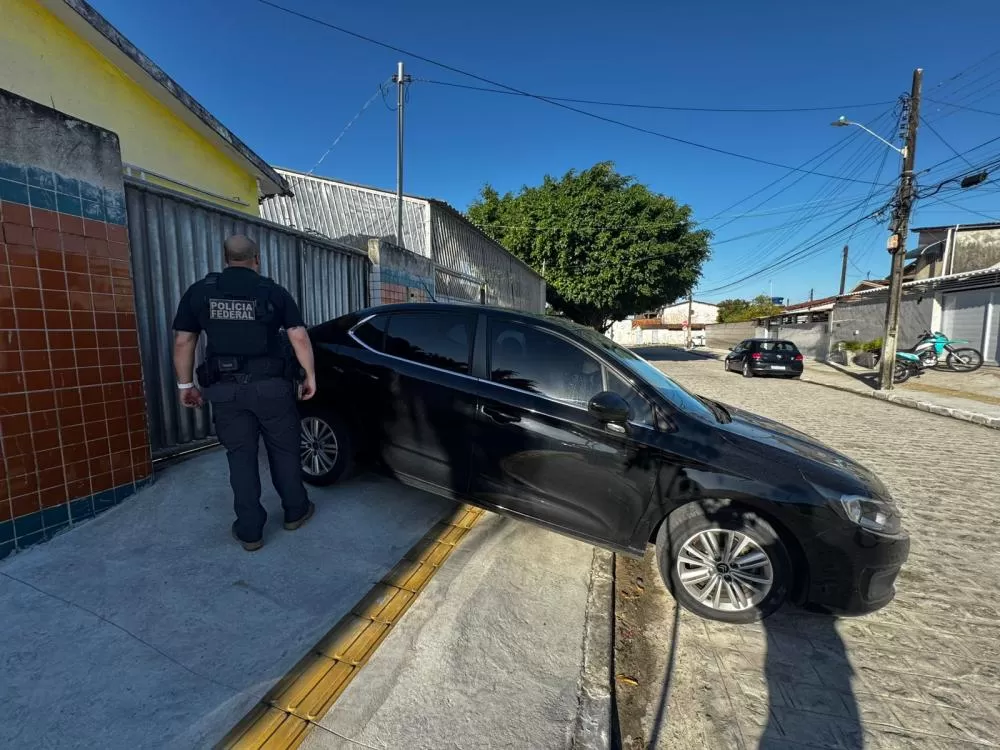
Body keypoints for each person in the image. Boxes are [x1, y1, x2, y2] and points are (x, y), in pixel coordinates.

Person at [171, 234, 318, 552]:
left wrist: (185, 386)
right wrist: (309, 375)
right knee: (284, 451)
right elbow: (298, 336)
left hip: (225, 391)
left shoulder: (201, 292)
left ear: (225, 258)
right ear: (257, 258)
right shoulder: (272, 291)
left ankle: (250, 531)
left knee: (241, 457)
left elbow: (185, 341)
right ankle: (295, 511)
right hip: (273, 389)